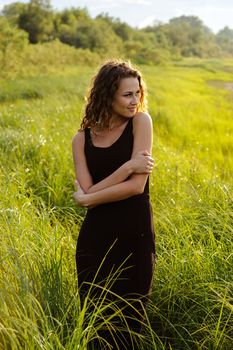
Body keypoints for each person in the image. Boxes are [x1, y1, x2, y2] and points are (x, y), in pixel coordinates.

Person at [72, 59, 156, 350]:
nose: (135, 101)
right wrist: (125, 168)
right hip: (95, 240)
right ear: (108, 95)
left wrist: (87, 199)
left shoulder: (141, 123)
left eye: (137, 93)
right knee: (95, 320)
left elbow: (136, 187)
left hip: (135, 235)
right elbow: (92, 187)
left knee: (131, 322)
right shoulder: (81, 139)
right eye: (127, 95)